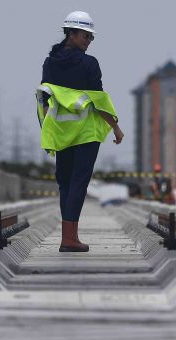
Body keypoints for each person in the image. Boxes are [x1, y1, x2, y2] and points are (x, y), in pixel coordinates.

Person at [36, 11, 124, 253]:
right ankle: (69, 238)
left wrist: (47, 128)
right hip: (86, 133)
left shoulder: (49, 62)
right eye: (85, 35)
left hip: (62, 132)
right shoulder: (89, 64)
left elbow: (45, 99)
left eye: (91, 37)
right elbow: (99, 101)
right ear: (71, 34)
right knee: (78, 181)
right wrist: (115, 127)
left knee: (65, 182)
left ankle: (69, 236)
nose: (88, 40)